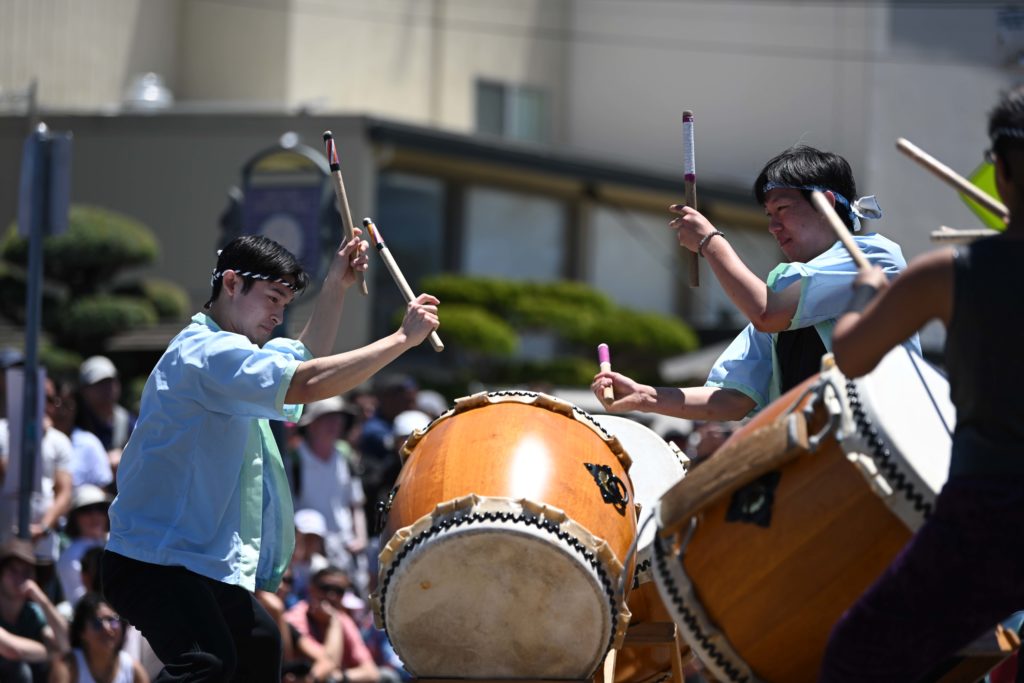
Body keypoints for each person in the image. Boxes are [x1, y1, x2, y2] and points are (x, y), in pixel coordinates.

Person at [101, 232, 439, 683]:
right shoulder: (205, 354)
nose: (279, 314)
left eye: (286, 301)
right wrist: (400, 339)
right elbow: (306, 382)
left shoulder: (232, 354)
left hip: (190, 561)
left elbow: (302, 357)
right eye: (272, 298)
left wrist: (335, 286)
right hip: (152, 560)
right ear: (233, 283)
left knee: (259, 647)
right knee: (206, 663)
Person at [818, 86, 1024, 682]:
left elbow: (852, 355)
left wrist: (864, 292)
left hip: (985, 519)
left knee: (858, 659)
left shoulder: (950, 274)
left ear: (1001, 173)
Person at [592, 145, 919, 421]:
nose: (773, 226)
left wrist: (711, 242)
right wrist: (644, 396)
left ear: (828, 203)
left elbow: (767, 311)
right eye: (768, 214)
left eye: (783, 208)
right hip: (815, 456)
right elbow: (733, 398)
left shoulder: (873, 258)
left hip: (877, 448)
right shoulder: (785, 288)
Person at [292, 397, 368, 590]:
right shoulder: (294, 460)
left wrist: (361, 538)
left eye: (338, 418)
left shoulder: (346, 457)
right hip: (307, 554)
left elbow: (355, 504)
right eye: (327, 418)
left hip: (345, 548)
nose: (335, 424)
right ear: (310, 424)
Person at [284, 566, 380, 683]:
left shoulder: (343, 620)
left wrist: (340, 677)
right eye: (325, 588)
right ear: (311, 589)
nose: (331, 596)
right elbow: (328, 663)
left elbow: (371, 672)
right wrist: (333, 622)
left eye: (339, 591)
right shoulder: (295, 618)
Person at [0, 538, 69, 682]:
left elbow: (65, 644)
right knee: (19, 670)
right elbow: (12, 650)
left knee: (59, 667)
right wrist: (51, 653)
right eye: (13, 570)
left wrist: (42, 600)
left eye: (26, 572)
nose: (20, 577)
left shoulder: (32, 612)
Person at [50, 592, 149, 683]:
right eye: (96, 623)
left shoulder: (133, 670)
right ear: (81, 632)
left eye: (112, 620)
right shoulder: (68, 666)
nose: (106, 628)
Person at [46, 379, 113, 492]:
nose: (62, 412)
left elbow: (103, 486)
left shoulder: (89, 443)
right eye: (57, 403)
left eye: (68, 405)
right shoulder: (38, 440)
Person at [76, 356, 136, 479]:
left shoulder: (129, 421)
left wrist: (125, 458)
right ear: (84, 390)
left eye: (111, 381)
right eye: (100, 383)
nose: (107, 388)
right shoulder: (76, 420)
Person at [56, 485, 111, 612]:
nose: (94, 515)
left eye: (100, 508)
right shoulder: (70, 555)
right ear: (75, 517)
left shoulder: (116, 542)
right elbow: (79, 602)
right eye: (86, 510)